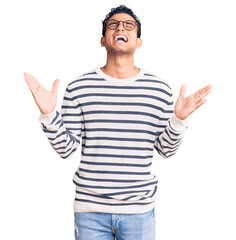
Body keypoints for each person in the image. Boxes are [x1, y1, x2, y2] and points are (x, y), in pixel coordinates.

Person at [24, 5, 212, 240]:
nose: (120, 27)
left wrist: (178, 120)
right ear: (103, 40)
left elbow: (166, 151)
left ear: (139, 41)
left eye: (128, 25)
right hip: (89, 212)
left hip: (139, 212)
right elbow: (65, 149)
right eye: (113, 25)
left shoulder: (159, 90)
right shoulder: (78, 88)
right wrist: (49, 115)